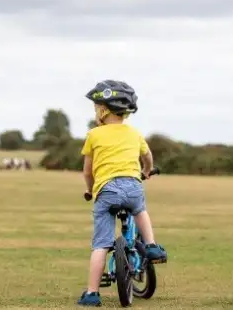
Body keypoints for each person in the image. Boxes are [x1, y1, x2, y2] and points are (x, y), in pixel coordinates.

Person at [76, 80, 168, 307]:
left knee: (100, 245)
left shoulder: (94, 135)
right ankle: (152, 245)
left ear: (103, 110)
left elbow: (88, 172)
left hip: (106, 189)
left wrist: (90, 190)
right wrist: (146, 171)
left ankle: (91, 293)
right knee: (140, 210)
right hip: (132, 185)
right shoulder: (134, 133)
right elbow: (147, 158)